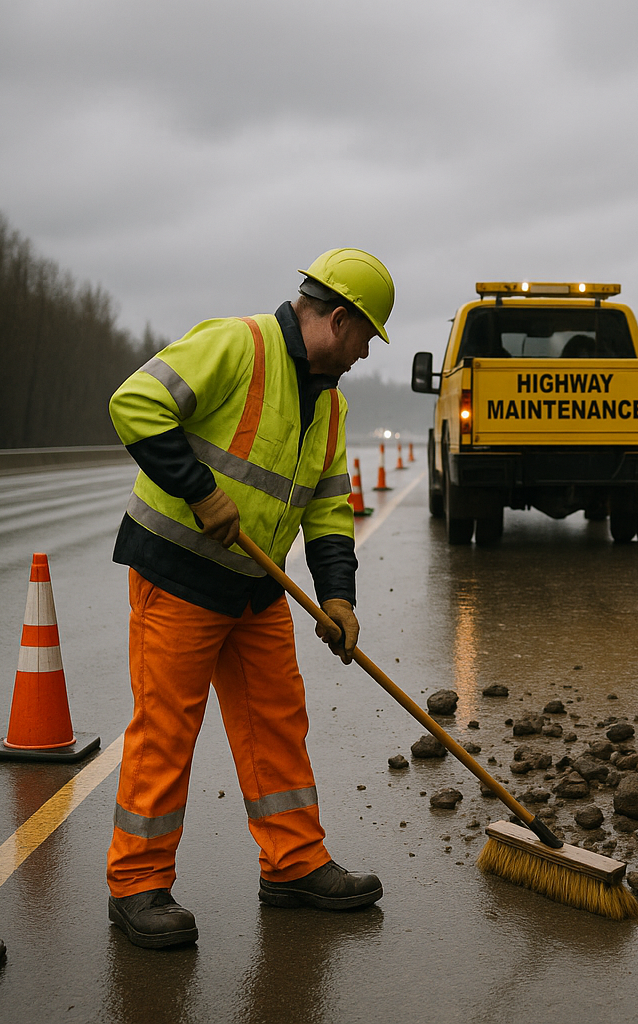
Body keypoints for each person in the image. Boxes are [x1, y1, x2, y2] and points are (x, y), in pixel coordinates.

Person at [104, 248, 395, 948]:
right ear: (338, 319)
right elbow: (134, 403)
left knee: (277, 722)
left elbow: (329, 509)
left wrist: (339, 599)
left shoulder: (330, 403)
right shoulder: (239, 345)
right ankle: (137, 883)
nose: (364, 354)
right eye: (365, 337)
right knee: (166, 731)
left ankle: (293, 865)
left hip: (255, 589)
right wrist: (200, 492)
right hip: (179, 573)